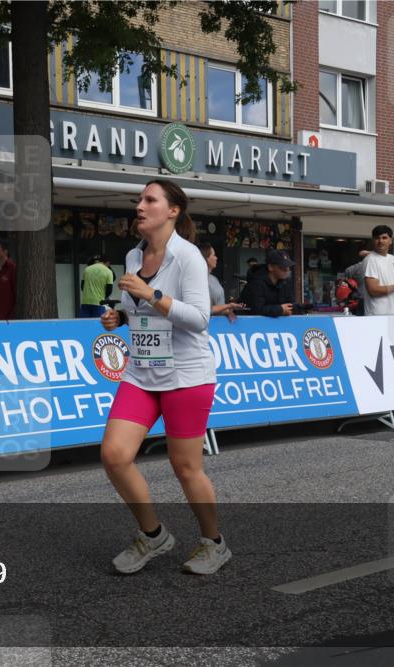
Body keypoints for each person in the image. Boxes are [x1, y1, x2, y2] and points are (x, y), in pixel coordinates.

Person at [99, 179, 229, 576]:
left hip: (186, 375)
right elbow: (135, 305)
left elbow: (200, 319)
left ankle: (214, 543)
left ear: (172, 211)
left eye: (149, 200)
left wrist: (151, 294)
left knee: (185, 467)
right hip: (142, 371)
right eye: (139, 199)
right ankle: (153, 535)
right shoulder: (133, 255)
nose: (139, 206)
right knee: (114, 455)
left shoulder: (188, 257)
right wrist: (120, 316)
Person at [238, 249, 296, 317]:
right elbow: (257, 310)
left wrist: (300, 307)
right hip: (245, 322)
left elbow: (290, 304)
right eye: (282, 267)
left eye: (288, 266)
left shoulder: (284, 282)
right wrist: (280, 310)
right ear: (270, 267)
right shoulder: (256, 283)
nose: (287, 269)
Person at [198, 242, 243, 321]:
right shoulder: (199, 280)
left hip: (219, 323)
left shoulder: (214, 279)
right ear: (206, 258)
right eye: (214, 255)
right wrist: (228, 306)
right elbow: (206, 310)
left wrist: (229, 311)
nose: (216, 258)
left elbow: (219, 305)